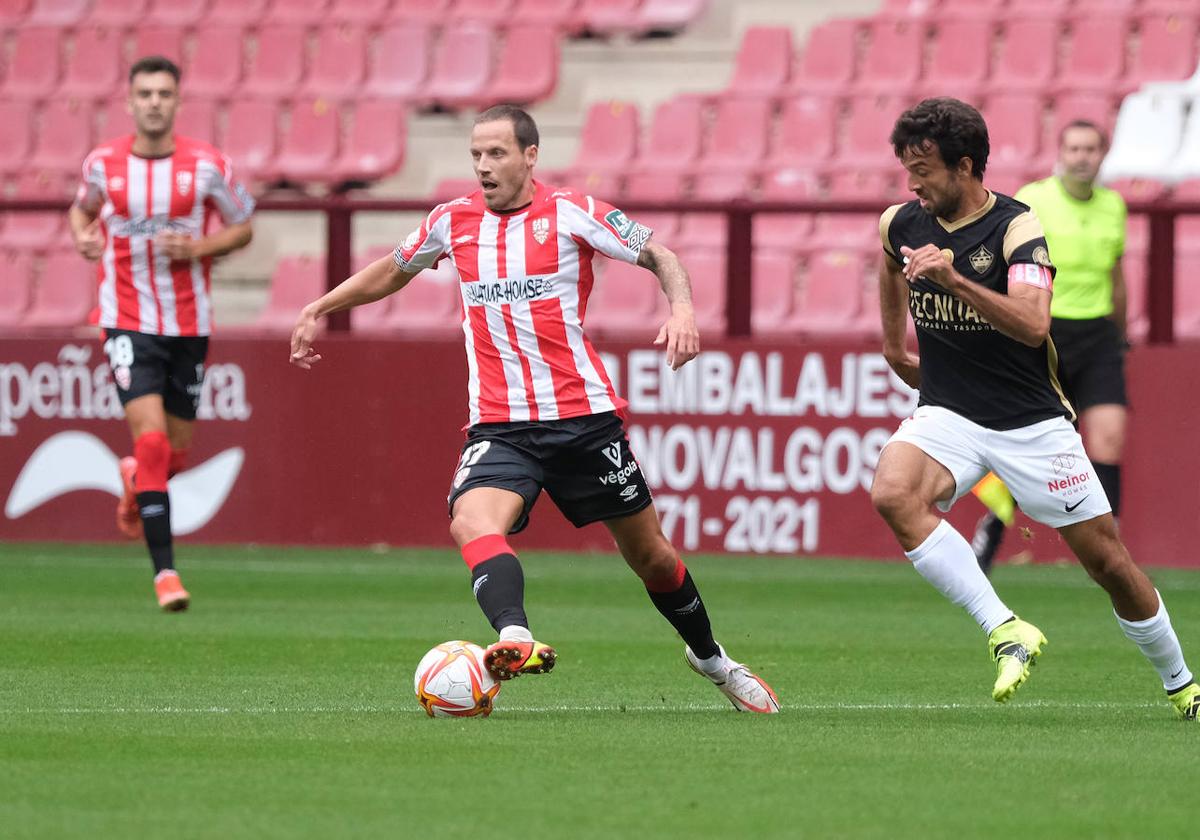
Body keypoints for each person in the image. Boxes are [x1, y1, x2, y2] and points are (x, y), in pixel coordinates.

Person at [289, 104, 778, 713]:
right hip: (500, 425)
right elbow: (393, 271)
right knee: (470, 520)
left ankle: (712, 660)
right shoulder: (452, 221)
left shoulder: (572, 211)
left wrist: (681, 311)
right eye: (476, 155)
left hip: (582, 419)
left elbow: (661, 254)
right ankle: (514, 637)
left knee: (651, 556)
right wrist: (319, 308)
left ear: (529, 156)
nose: (484, 167)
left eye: (496, 154)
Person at [871, 97, 1198, 719]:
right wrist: (893, 345)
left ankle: (1183, 682)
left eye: (925, 171)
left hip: (1032, 425)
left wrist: (955, 281)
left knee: (1108, 562)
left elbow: (1030, 322)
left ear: (965, 167)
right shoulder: (903, 222)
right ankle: (1006, 630)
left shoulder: (1017, 228)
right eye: (907, 170)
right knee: (892, 492)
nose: (913, 185)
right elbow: (890, 261)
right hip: (949, 412)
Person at [69, 56, 255, 611]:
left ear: (177, 101)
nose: (154, 102)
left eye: (163, 94)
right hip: (125, 318)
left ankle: (134, 480)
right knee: (151, 442)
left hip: (189, 322)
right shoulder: (103, 164)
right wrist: (83, 237)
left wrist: (198, 248)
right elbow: (82, 214)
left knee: (169, 456)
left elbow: (243, 226)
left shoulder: (206, 166)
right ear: (129, 101)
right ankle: (166, 575)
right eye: (145, 93)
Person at [970, 120, 1130, 574]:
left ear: (1103, 155)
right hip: (1045, 333)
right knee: (1029, 447)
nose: (1082, 156)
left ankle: (1108, 550)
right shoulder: (1034, 199)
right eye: (1074, 148)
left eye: (1091, 148)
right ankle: (992, 531)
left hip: (1098, 335)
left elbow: (1116, 274)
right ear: (1061, 153)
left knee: (1109, 441)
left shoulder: (1114, 207)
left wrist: (1121, 332)